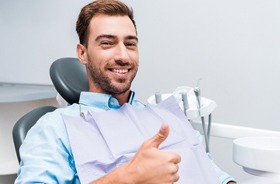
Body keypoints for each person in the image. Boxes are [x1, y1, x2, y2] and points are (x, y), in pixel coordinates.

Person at [15, 0, 237, 183]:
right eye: (107, 43)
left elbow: (217, 175)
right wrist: (128, 177)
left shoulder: (168, 117)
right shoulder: (56, 128)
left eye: (130, 44)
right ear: (82, 53)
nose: (123, 55)